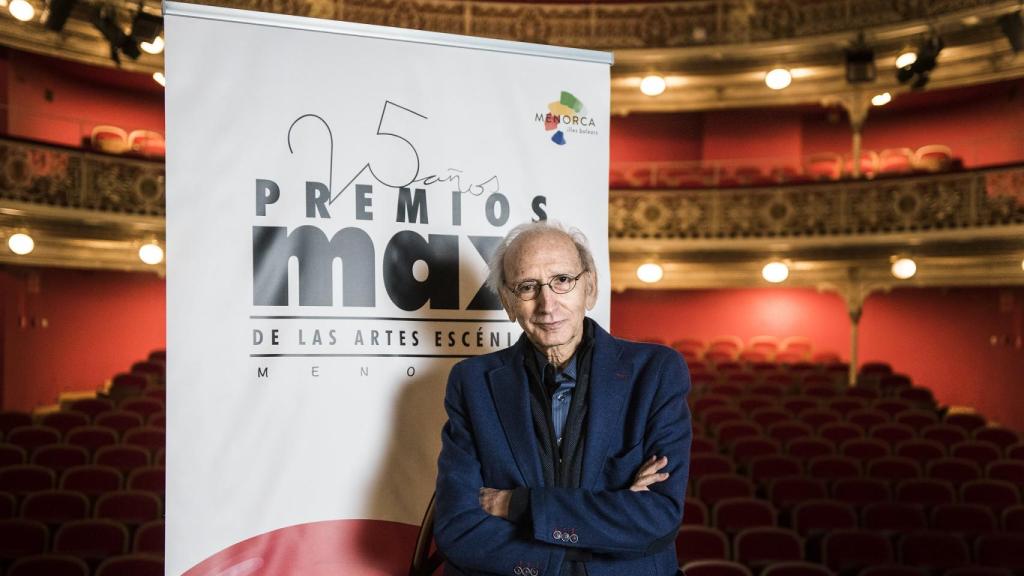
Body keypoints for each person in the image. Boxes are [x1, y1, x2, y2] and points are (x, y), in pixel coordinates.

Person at [433, 221, 692, 576]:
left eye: (562, 280)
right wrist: (592, 540)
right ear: (508, 303)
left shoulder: (657, 373)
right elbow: (457, 527)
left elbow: (658, 516)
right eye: (527, 287)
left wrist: (519, 504)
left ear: (590, 286)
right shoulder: (471, 383)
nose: (547, 303)